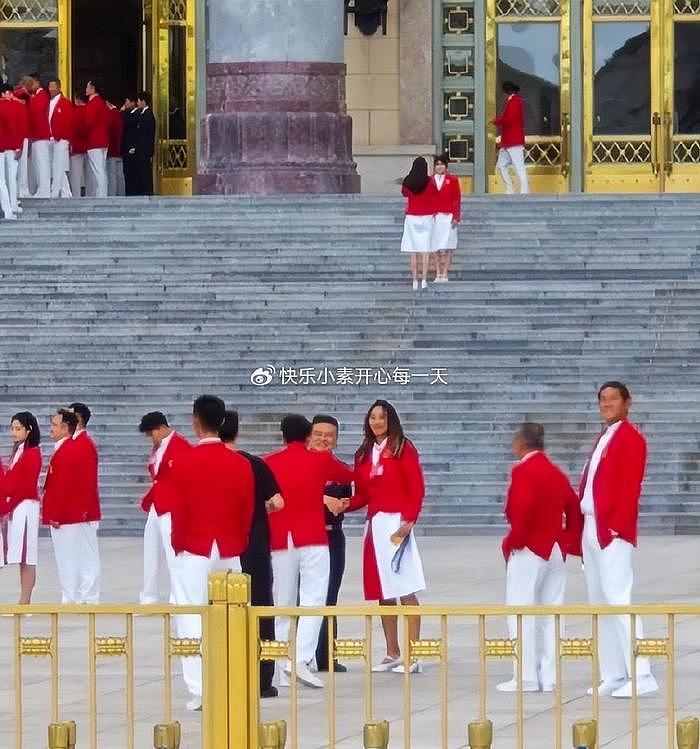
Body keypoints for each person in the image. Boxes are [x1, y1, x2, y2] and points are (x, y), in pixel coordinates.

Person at [568, 382, 658, 698]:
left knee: (619, 599)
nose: (606, 404)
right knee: (601, 602)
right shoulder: (604, 437)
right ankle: (614, 672)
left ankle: (642, 672)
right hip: (591, 527)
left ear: (626, 402)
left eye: (612, 399)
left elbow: (629, 487)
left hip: (611, 529)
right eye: (602, 399)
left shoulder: (630, 438)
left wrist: (617, 527)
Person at [170, 395, 254, 711]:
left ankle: (200, 688)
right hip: (230, 546)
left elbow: (177, 509)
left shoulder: (183, 461)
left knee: (191, 616)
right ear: (223, 423)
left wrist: (179, 544)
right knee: (232, 616)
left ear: (195, 421)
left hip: (194, 545)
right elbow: (246, 509)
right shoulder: (240, 463)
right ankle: (231, 680)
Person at [329, 400, 426, 674]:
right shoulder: (363, 453)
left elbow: (416, 486)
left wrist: (408, 521)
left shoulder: (402, 448)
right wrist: (347, 503)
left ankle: (414, 654)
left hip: (397, 523)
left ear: (390, 419)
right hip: (375, 525)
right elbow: (363, 493)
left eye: (381, 417)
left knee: (405, 588)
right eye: (372, 417)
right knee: (384, 592)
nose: (377, 422)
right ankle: (392, 652)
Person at [264, 414, 353, 689]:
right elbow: (349, 475)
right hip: (312, 536)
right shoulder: (320, 460)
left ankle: (279, 664)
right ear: (307, 437)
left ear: (282, 435)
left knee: (283, 602)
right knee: (314, 598)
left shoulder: (269, 462)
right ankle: (300, 658)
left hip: (280, 539)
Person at [497, 422, 579, 693]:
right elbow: (573, 506)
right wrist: (568, 539)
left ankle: (526, 676)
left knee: (521, 611)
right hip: (554, 548)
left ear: (520, 444)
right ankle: (551, 675)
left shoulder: (524, 471)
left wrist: (513, 542)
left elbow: (522, 508)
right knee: (551, 613)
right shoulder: (555, 472)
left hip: (530, 547)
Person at [220, 410, 284, 698]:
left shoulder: (209, 462)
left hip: (220, 547)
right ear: (237, 430)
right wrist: (260, 511)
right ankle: (262, 677)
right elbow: (278, 502)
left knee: (221, 610)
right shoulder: (254, 463)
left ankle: (225, 674)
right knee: (260, 609)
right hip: (255, 546)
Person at [310, 414, 351, 674]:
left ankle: (326, 655)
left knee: (329, 597)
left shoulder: (340, 470)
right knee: (304, 596)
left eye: (329, 435)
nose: (323, 439)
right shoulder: (299, 465)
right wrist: (322, 498)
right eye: (319, 434)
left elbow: (349, 498)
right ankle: (300, 654)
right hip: (306, 539)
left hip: (333, 536)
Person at [42, 408, 95, 604]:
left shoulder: (70, 450)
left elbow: (64, 485)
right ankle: (70, 594)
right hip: (67, 514)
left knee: (70, 556)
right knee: (67, 556)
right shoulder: (63, 449)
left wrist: (56, 513)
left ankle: (74, 595)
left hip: (68, 515)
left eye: (54, 425)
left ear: (66, 428)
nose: (51, 429)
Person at [138, 411, 191, 604]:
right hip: (157, 504)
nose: (150, 438)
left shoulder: (181, 446)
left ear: (161, 428)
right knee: (150, 549)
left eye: (151, 433)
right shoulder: (157, 447)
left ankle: (178, 594)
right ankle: (148, 594)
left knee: (172, 552)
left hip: (172, 506)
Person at [0, 412, 42, 603]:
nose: (14, 433)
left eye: (18, 429)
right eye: (12, 428)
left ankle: (25, 601)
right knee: (21, 555)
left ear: (29, 430)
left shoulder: (32, 453)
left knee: (27, 556)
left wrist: (9, 503)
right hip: (17, 506)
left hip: (25, 506)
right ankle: (23, 601)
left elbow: (26, 483)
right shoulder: (18, 451)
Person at [67, 402, 101, 602]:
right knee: (78, 553)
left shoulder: (85, 444)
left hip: (85, 509)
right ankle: (81, 593)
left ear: (78, 420)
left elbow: (87, 480)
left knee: (88, 553)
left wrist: (85, 509)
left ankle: (90, 595)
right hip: (75, 509)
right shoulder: (72, 443)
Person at [401, 156, 436, 291]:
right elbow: (434, 197)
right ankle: (424, 280)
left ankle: (415, 280)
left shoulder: (407, 182)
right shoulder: (430, 182)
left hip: (411, 218)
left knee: (413, 251)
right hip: (427, 217)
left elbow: (404, 193)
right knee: (425, 251)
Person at [492, 81, 529, 195]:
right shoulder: (514, 101)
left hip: (513, 140)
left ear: (506, 91)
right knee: (502, 165)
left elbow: (509, 119)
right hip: (509, 140)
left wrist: (495, 121)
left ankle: (524, 191)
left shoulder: (514, 102)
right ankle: (510, 189)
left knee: (519, 167)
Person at [431, 153, 461, 283]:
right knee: (435, 247)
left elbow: (457, 199)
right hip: (435, 217)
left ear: (446, 166)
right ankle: (438, 273)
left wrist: (456, 217)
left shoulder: (452, 179)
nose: (439, 167)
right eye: (437, 164)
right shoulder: (430, 180)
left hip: (448, 217)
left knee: (449, 246)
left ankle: (445, 273)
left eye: (442, 164)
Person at [0, 85, 28, 217]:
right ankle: (13, 205)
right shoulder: (17, 107)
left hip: (1, 147)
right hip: (12, 146)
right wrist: (19, 146)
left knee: (1, 180)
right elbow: (19, 128)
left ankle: (7, 210)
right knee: (12, 177)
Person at [25, 73, 51, 198]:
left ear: (37, 82)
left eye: (32, 83)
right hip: (36, 136)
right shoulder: (36, 96)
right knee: (37, 164)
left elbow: (36, 112)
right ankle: (41, 189)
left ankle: (44, 190)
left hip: (41, 135)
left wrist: (29, 98)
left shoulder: (42, 95)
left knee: (42, 163)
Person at [47, 78, 73, 198]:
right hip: (51, 139)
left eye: (53, 86)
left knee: (58, 166)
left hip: (61, 139)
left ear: (58, 87)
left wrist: (63, 137)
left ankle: (54, 192)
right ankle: (66, 194)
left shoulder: (65, 102)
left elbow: (68, 122)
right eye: (49, 87)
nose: (50, 89)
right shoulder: (49, 102)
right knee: (58, 167)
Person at [84, 80, 110, 197]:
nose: (86, 89)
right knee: (101, 168)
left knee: (98, 170)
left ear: (93, 89)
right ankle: (101, 193)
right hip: (103, 140)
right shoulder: (102, 103)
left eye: (88, 87)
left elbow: (88, 122)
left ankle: (101, 195)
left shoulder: (93, 103)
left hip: (94, 141)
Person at [133, 91, 156, 196]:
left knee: (145, 173)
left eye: (138, 101)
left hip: (144, 150)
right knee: (141, 172)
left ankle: (147, 193)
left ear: (143, 102)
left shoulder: (148, 115)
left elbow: (146, 135)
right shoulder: (142, 114)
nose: (137, 104)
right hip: (141, 149)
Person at [69, 93, 88, 197]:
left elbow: (71, 129)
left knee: (75, 175)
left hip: (76, 146)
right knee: (89, 174)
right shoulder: (89, 110)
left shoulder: (74, 112)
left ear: (77, 100)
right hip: (89, 146)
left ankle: (76, 195)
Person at [120, 95, 139, 195]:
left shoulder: (135, 113)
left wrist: (122, 112)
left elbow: (126, 121)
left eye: (127, 101)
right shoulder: (130, 113)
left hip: (131, 147)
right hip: (126, 148)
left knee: (131, 172)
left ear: (133, 103)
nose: (125, 104)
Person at [106, 100, 124, 196]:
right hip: (120, 149)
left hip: (112, 150)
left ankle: (112, 195)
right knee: (120, 175)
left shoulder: (111, 115)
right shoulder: (119, 114)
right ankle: (121, 194)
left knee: (112, 174)